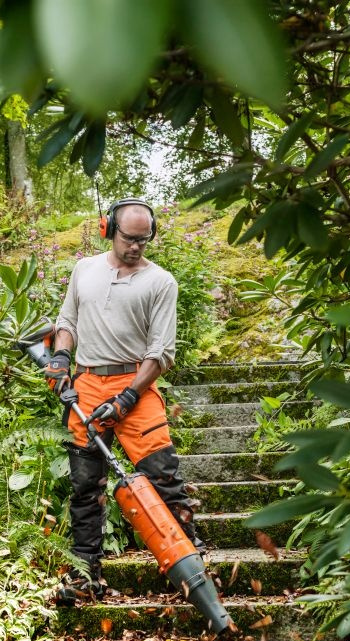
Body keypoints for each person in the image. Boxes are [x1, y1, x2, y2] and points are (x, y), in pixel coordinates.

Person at [44, 198, 204, 606]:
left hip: (137, 385)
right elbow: (67, 322)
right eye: (129, 238)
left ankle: (194, 569)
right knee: (85, 487)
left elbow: (161, 352)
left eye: (143, 240)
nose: (135, 247)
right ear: (108, 229)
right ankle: (85, 576)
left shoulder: (161, 282)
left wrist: (129, 396)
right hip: (87, 384)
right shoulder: (84, 270)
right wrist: (61, 358)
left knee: (163, 477)